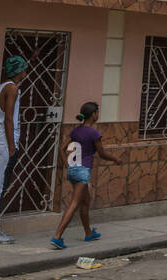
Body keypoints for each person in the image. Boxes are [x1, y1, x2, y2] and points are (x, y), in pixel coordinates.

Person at [51, 101, 120, 249]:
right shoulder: (94, 133)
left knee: (85, 201)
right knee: (75, 203)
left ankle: (89, 233)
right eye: (97, 112)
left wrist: (66, 165)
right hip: (83, 172)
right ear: (94, 114)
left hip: (73, 170)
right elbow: (101, 153)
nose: (98, 115)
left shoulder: (76, 130)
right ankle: (57, 236)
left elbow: (62, 148)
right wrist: (115, 159)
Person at [0, 56, 30, 245]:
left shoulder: (0, 88)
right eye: (24, 69)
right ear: (18, 71)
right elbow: (9, 118)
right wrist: (12, 145)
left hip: (0, 138)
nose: (25, 73)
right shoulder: (12, 89)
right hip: (4, 140)